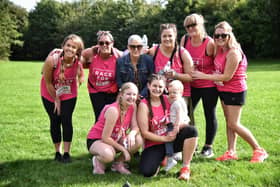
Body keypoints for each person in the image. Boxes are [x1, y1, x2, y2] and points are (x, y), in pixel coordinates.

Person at [192, 21, 268, 163]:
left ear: (229, 35)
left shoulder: (233, 52)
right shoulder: (219, 49)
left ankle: (259, 150)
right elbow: (220, 70)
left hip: (235, 91)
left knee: (234, 124)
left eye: (223, 35)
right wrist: (216, 75)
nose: (219, 38)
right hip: (223, 90)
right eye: (217, 35)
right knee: (229, 122)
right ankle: (231, 151)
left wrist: (204, 76)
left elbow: (227, 76)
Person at [138, 74, 198, 180]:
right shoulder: (144, 105)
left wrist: (176, 129)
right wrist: (164, 138)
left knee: (191, 131)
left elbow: (185, 119)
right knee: (147, 172)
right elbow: (144, 133)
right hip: (155, 143)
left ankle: (185, 168)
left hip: (172, 139)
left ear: (164, 88)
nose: (157, 89)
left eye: (160, 87)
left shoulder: (169, 99)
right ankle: (163, 158)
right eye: (154, 86)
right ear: (148, 85)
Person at [40, 34, 84, 163]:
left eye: (74, 47)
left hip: (69, 94)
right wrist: (56, 99)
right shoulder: (52, 61)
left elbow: (93, 52)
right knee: (55, 120)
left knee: (66, 120)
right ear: (63, 46)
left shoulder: (78, 61)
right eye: (68, 45)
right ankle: (57, 152)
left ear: (78, 50)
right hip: (49, 93)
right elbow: (48, 83)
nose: (70, 48)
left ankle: (66, 153)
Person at [180, 13, 218, 158]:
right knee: (185, 115)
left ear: (201, 24)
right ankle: (189, 144)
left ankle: (208, 147)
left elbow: (219, 62)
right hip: (190, 85)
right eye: (187, 26)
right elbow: (179, 57)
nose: (190, 28)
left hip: (208, 86)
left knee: (209, 114)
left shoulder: (209, 43)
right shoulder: (185, 40)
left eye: (193, 25)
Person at [87, 82, 143, 175]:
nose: (131, 97)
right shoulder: (113, 110)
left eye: (134, 94)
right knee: (109, 155)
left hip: (115, 138)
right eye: (128, 94)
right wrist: (124, 150)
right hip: (98, 139)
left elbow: (135, 127)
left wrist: (132, 134)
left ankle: (118, 164)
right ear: (121, 94)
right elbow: (105, 137)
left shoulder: (133, 106)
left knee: (138, 140)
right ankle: (98, 160)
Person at [147, 23, 195, 126]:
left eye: (170, 36)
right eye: (164, 36)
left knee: (181, 124)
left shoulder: (182, 53)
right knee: (163, 124)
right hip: (160, 95)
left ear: (175, 36)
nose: (167, 39)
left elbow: (191, 77)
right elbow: (139, 55)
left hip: (180, 96)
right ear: (160, 37)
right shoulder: (154, 51)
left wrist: (175, 75)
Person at [82, 31, 123, 120]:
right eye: (101, 43)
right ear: (98, 44)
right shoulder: (91, 53)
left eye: (107, 43)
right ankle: (97, 134)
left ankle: (111, 134)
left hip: (112, 91)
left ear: (112, 43)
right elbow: (75, 55)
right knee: (100, 117)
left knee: (112, 116)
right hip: (95, 90)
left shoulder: (119, 56)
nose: (104, 45)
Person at [164, 80, 191, 172]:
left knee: (168, 139)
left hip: (175, 124)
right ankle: (177, 154)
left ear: (181, 92)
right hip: (181, 122)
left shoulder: (176, 103)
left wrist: (176, 127)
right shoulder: (181, 100)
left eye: (174, 92)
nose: (171, 95)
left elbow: (179, 115)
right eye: (170, 92)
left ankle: (170, 158)